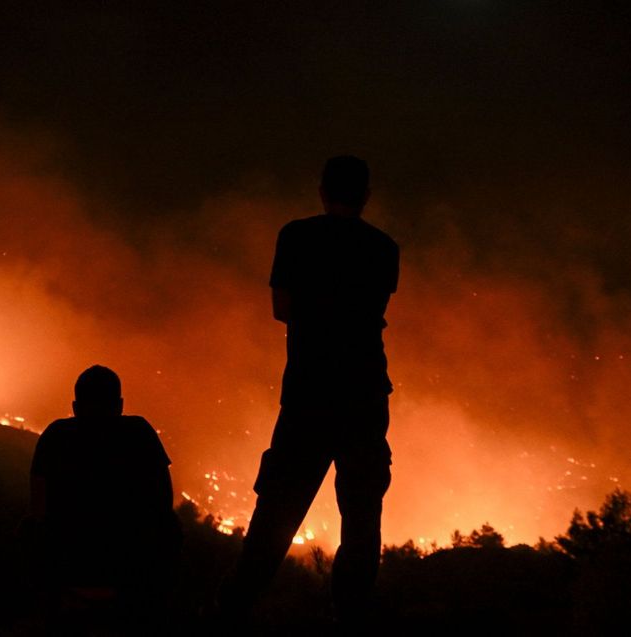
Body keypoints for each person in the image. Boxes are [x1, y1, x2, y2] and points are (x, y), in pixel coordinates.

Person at [219, 155, 399, 629]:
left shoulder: (296, 237)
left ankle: (234, 610)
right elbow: (372, 309)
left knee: (278, 507)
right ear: (366, 196)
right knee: (362, 516)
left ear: (322, 190)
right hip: (363, 396)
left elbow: (282, 308)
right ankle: (351, 616)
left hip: (309, 392)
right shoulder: (384, 249)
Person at [29, 365, 179, 633]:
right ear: (120, 405)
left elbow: (38, 509)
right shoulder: (139, 433)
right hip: (132, 573)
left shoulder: (55, 437)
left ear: (75, 407)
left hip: (68, 569)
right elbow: (164, 501)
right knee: (173, 526)